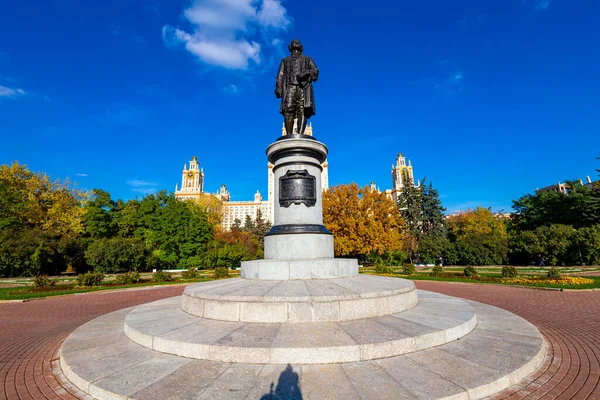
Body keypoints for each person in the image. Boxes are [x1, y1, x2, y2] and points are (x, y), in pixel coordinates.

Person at [275, 39, 319, 136]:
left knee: (302, 109)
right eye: (293, 42)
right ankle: (289, 135)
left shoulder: (307, 59)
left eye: (298, 42)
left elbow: (315, 71)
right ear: (290, 47)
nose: (295, 43)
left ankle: (300, 134)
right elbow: (280, 75)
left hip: (303, 87)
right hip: (290, 87)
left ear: (301, 46)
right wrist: (279, 88)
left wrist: (306, 73)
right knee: (288, 109)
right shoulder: (285, 61)